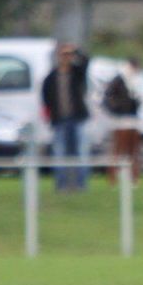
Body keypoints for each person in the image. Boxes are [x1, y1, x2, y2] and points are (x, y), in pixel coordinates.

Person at [41, 43, 90, 192]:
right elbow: (46, 98)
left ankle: (81, 185)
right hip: (59, 120)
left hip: (77, 119)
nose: (66, 57)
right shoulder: (51, 77)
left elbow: (86, 61)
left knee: (81, 152)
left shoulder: (77, 73)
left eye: (69, 54)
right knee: (59, 153)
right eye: (64, 54)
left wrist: (76, 50)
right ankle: (61, 184)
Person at [104, 57, 143, 185]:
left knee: (133, 150)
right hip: (120, 120)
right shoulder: (119, 79)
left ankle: (133, 178)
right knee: (118, 150)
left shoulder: (134, 81)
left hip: (133, 118)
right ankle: (113, 178)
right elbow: (108, 97)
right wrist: (117, 108)